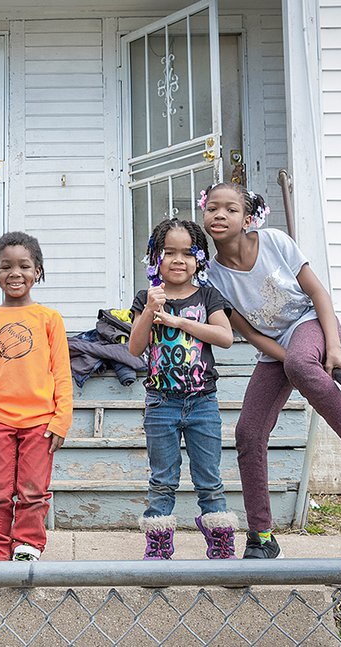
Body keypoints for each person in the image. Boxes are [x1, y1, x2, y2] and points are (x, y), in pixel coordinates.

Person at [200, 182, 341, 560]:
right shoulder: (213, 277)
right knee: (248, 431)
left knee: (301, 362)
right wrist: (290, 359)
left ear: (248, 219)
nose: (219, 215)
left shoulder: (275, 242)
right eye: (213, 208)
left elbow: (319, 295)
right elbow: (249, 333)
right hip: (276, 347)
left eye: (230, 209)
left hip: (312, 323)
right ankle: (262, 536)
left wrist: (333, 347)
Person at [128, 218, 238, 560]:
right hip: (161, 403)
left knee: (209, 477)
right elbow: (135, 348)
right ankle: (159, 541)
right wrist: (150, 308)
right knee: (162, 478)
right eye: (169, 252)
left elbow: (225, 337)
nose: (179, 260)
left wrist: (179, 321)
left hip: (202, 401)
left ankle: (220, 539)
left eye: (188, 253)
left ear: (200, 258)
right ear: (154, 258)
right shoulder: (147, 298)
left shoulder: (208, 296)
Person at [0, 231, 73, 561]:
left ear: (38, 271)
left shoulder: (49, 319)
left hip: (40, 424)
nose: (15, 273)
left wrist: (61, 419)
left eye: (24, 266)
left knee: (33, 491)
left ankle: (27, 546)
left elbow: (62, 374)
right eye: (6, 266)